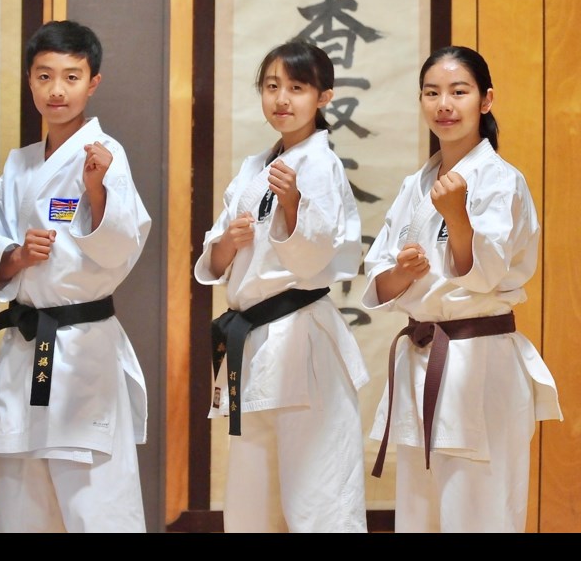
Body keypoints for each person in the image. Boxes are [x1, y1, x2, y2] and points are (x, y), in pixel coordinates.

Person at [362, 45, 562, 533]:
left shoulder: (500, 181)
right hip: (420, 360)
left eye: (459, 91)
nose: (444, 105)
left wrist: (458, 218)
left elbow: (486, 274)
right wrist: (405, 273)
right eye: (432, 93)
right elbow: (380, 279)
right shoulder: (418, 182)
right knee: (419, 514)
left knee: (480, 513)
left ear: (485, 100)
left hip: (479, 362)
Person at [0, 19, 151, 533]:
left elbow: (123, 244)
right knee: (23, 500)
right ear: (29, 81)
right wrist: (15, 255)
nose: (57, 90)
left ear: (92, 82)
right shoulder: (19, 166)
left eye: (71, 77)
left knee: (96, 502)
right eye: (45, 76)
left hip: (80, 350)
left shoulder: (104, 155)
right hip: (25, 341)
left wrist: (96, 191)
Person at [194, 40, 369, 533]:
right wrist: (228, 241)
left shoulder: (322, 164)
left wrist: (292, 205)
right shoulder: (253, 168)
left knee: (319, 496)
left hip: (301, 339)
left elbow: (318, 253)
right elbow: (214, 260)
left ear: (324, 97)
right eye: (272, 87)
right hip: (251, 344)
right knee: (252, 498)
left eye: (296, 87)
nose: (282, 99)